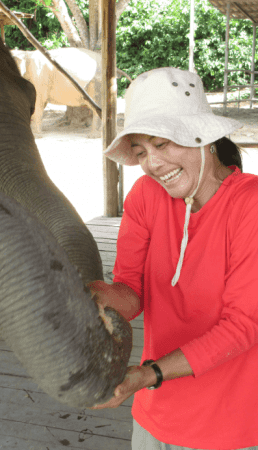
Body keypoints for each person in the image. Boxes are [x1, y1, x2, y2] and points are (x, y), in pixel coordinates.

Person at [88, 67, 258, 450]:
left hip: (232, 425)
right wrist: (89, 294)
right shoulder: (146, 196)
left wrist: (146, 374)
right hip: (155, 417)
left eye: (162, 144)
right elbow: (131, 293)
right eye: (141, 151)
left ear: (204, 138)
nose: (152, 164)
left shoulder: (250, 204)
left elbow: (243, 326)